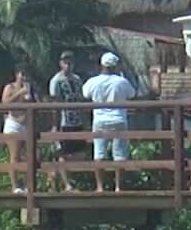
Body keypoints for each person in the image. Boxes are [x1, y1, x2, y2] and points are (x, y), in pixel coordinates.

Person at [81, 52, 139, 193]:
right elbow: (132, 94)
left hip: (100, 120)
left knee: (99, 154)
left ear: (101, 65)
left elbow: (85, 94)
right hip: (119, 119)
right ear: (115, 66)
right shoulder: (121, 81)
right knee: (119, 154)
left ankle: (100, 187)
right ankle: (118, 187)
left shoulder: (93, 81)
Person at [48, 51, 89, 192]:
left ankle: (54, 172)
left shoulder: (77, 79)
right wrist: (55, 124)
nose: (68, 65)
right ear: (61, 63)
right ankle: (67, 185)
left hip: (77, 121)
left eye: (70, 62)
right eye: (65, 62)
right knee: (63, 153)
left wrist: (85, 121)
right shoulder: (56, 81)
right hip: (64, 122)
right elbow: (54, 104)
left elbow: (81, 101)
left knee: (79, 154)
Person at [0, 67, 37, 194]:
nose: (25, 78)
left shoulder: (30, 88)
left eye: (27, 75)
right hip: (13, 124)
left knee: (30, 156)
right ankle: (15, 186)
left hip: (27, 124)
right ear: (17, 74)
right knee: (15, 156)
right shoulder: (9, 87)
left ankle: (29, 185)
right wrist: (20, 93)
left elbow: (36, 104)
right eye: (23, 74)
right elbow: (5, 103)